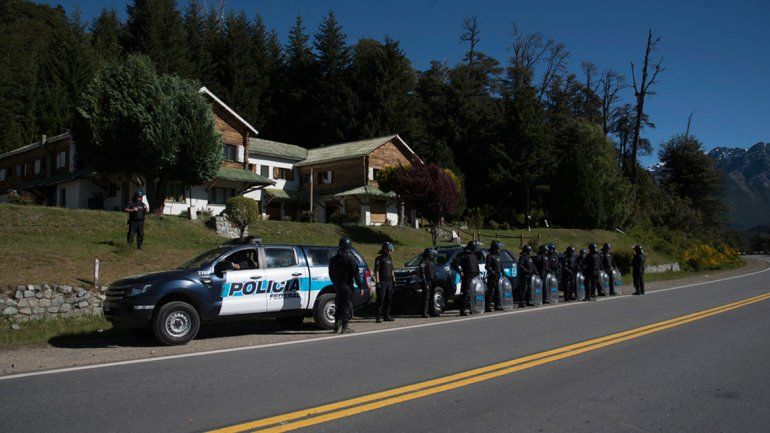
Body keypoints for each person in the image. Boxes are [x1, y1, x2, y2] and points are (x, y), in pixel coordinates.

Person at [329, 237, 364, 334]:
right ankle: (344, 327)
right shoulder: (351, 260)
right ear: (348, 247)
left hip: (337, 286)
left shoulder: (333, 259)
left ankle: (336, 325)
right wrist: (360, 287)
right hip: (347, 287)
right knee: (345, 306)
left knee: (339, 305)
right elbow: (356, 275)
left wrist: (335, 282)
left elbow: (330, 273)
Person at [451, 240, 480, 316]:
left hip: (474, 277)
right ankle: (462, 310)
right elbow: (454, 264)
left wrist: (478, 274)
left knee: (474, 294)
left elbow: (476, 266)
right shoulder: (463, 255)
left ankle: (473, 309)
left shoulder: (474, 256)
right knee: (466, 294)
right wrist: (460, 272)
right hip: (467, 277)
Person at [374, 242, 396, 323]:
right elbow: (376, 271)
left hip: (389, 281)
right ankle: (378, 317)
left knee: (388, 299)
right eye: (389, 250)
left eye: (391, 250)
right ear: (385, 249)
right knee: (381, 299)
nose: (390, 251)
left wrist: (394, 280)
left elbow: (392, 270)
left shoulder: (390, 258)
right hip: (382, 281)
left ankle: (386, 315)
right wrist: (377, 282)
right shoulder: (379, 258)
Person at [485, 240, 504, 312]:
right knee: (491, 292)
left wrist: (503, 273)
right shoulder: (489, 256)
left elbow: (500, 266)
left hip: (498, 277)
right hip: (492, 277)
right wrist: (493, 272)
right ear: (495, 248)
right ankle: (487, 306)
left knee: (498, 291)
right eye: (498, 248)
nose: (499, 250)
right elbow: (487, 266)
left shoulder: (498, 256)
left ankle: (497, 305)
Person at [419, 248, 438, 317]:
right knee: (426, 297)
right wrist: (425, 283)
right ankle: (424, 313)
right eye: (431, 255)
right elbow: (422, 273)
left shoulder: (431, 262)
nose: (432, 256)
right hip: (426, 281)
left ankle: (432, 312)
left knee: (432, 297)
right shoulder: (423, 262)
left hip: (432, 281)